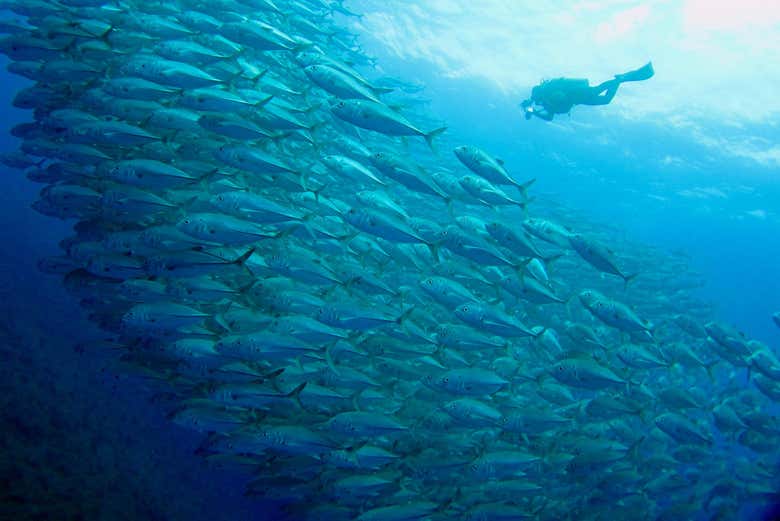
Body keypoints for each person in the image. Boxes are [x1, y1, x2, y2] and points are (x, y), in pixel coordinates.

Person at [521, 62, 654, 121]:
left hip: (575, 93)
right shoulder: (545, 103)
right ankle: (619, 79)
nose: (535, 102)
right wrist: (535, 113)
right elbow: (549, 118)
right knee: (605, 100)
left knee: (597, 91)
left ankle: (619, 79)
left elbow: (560, 97)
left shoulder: (544, 93)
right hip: (577, 100)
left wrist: (532, 106)